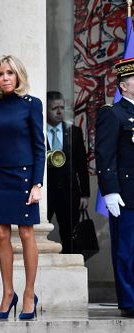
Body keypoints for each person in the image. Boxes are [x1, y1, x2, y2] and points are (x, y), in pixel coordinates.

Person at [0, 55, 45, 320]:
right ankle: (8, 294)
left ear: (18, 76)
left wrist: (37, 183)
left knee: (27, 233)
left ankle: (29, 293)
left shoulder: (32, 104)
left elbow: (39, 146)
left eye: (10, 73)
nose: (5, 78)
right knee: (0, 234)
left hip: (23, 176)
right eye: (0, 74)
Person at [95, 57, 134, 318]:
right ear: (124, 86)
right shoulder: (113, 113)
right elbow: (105, 154)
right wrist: (110, 191)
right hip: (126, 194)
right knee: (126, 251)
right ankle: (130, 301)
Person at [46, 91, 90, 254]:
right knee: (37, 233)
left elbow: (82, 165)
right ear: (46, 109)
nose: (59, 112)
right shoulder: (38, 132)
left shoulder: (74, 131)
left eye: (62, 108)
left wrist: (85, 194)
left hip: (69, 192)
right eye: (54, 108)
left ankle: (71, 272)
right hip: (45, 192)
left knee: (70, 235)